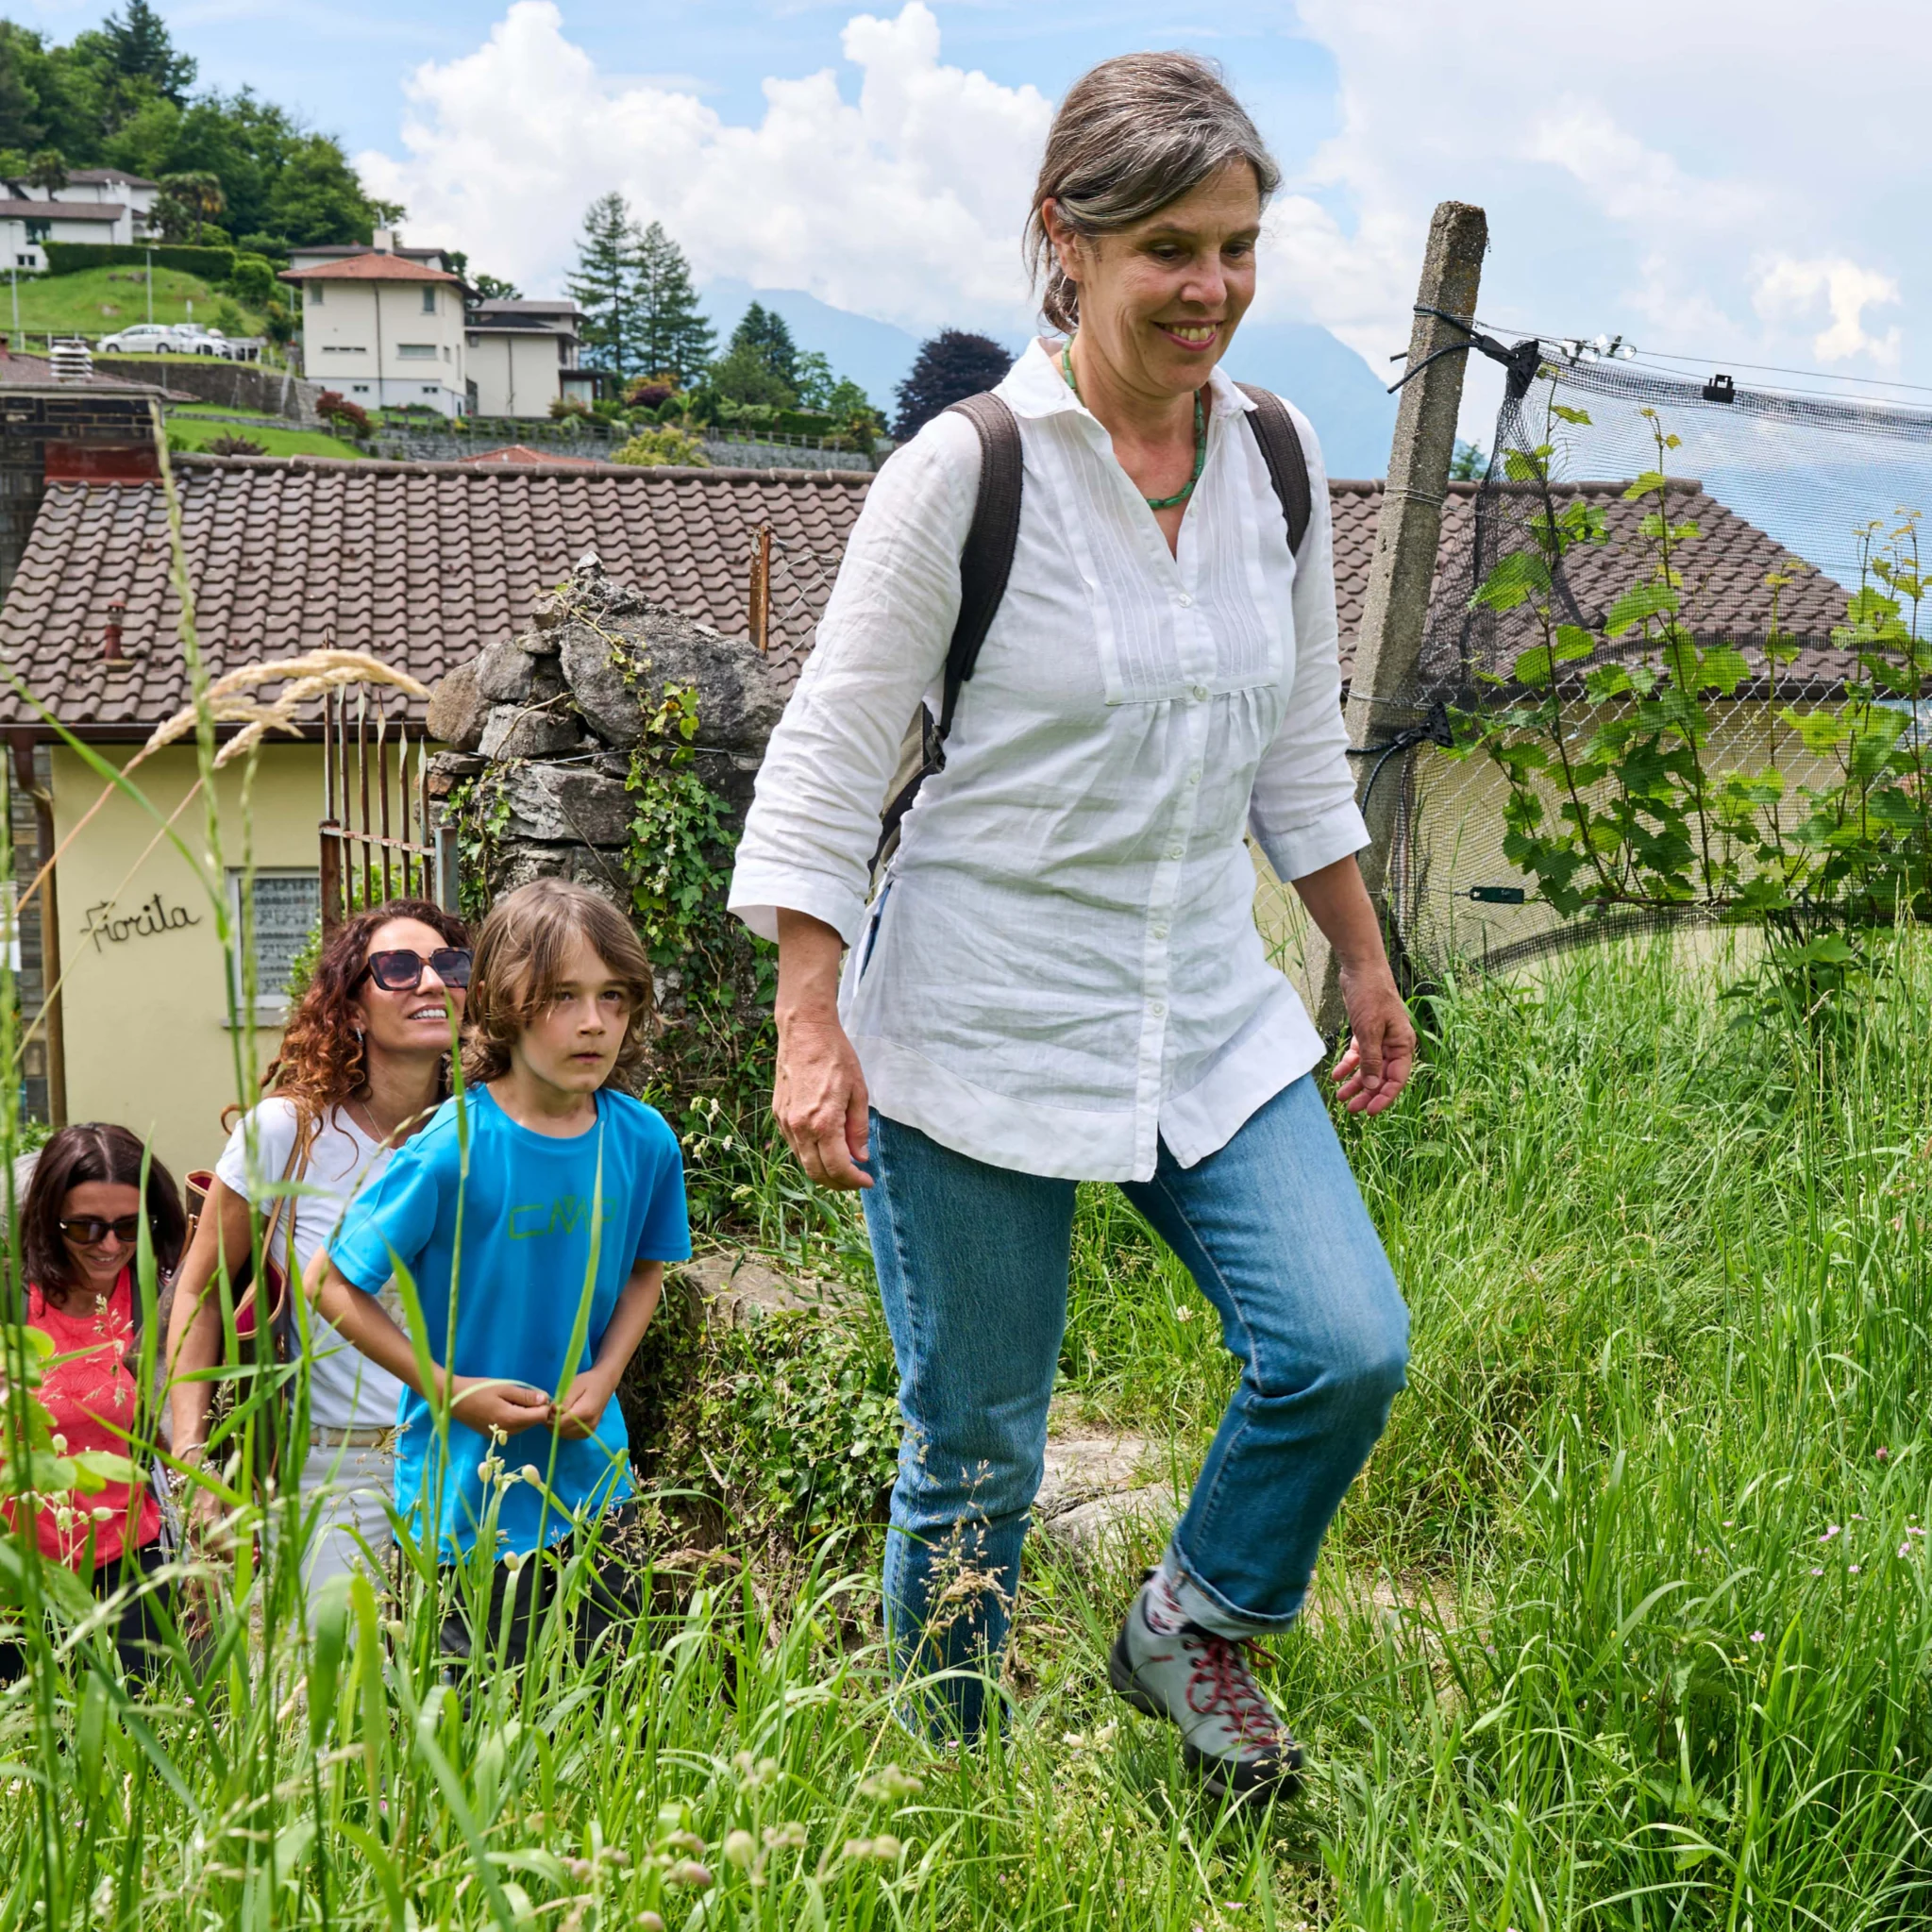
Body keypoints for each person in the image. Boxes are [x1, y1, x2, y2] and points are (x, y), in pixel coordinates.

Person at [728, 52, 1415, 1799]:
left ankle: (1192, 1620)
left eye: (1238, 246)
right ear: (1067, 240)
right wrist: (813, 1021)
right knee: (972, 1454)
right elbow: (824, 762)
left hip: (1202, 998)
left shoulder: (1273, 454)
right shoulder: (964, 478)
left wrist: (1357, 948)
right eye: (1170, 249)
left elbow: (1296, 739)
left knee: (1341, 1343)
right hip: (978, 1013)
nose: (1211, 290)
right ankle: (943, 1796)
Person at [313, 878, 691, 1667]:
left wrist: (608, 1372)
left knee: (604, 1722)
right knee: (480, 1731)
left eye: (613, 996)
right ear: (500, 1003)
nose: (593, 1022)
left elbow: (648, 1270)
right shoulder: (450, 1147)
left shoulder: (644, 1140)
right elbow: (329, 1281)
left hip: (596, 1490)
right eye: (561, 995)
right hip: (466, 1505)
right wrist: (447, 1386)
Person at [164, 897, 472, 1596]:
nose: (429, 982)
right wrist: (191, 1453)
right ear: (353, 1009)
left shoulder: (484, 1133)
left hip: (470, 1464)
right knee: (323, 1701)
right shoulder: (288, 1133)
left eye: (449, 965)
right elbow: (198, 1288)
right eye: (396, 967)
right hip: (334, 1475)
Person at [2, 1123, 187, 1683]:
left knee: (141, 1734)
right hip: (16, 1571)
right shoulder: (13, 1298)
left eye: (129, 1226)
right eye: (85, 1227)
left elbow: (181, 1425)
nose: (110, 1245)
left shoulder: (158, 1297)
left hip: (127, 1557)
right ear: (46, 1221)